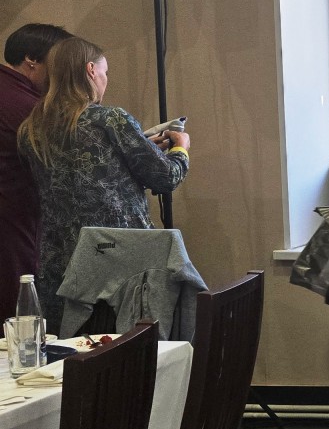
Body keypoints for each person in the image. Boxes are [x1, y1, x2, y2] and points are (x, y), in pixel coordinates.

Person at [16, 36, 190, 331]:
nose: (106, 80)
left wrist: (141, 147)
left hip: (63, 261)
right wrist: (180, 148)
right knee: (125, 344)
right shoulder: (111, 119)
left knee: (73, 346)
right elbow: (166, 178)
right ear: (91, 70)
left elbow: (76, 173)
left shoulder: (30, 129)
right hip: (119, 259)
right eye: (105, 71)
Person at [0, 22, 71, 319]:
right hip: (13, 219)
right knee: (18, 308)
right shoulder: (27, 106)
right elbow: (66, 159)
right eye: (57, 63)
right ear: (32, 60)